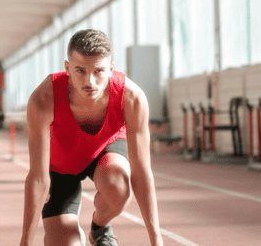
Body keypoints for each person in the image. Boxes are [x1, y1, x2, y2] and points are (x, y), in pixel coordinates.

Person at [19, 29, 163, 246]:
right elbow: (38, 178)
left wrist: (156, 241)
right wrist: (24, 243)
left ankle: (99, 227)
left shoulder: (132, 98)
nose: (90, 81)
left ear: (111, 69)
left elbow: (142, 173)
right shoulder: (43, 100)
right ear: (67, 68)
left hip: (105, 153)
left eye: (98, 71)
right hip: (60, 168)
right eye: (80, 71)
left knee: (119, 187)